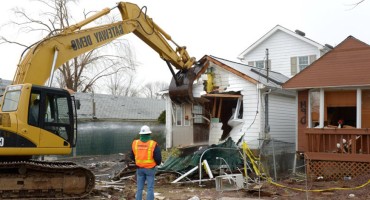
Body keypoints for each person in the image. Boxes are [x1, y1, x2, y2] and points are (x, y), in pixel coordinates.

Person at [130, 125, 162, 200]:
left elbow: (132, 156)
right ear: (149, 134)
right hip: (150, 169)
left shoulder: (135, 143)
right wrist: (157, 164)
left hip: (139, 169)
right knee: (150, 188)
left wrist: (137, 162)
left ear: (140, 134)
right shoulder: (153, 144)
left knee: (139, 188)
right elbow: (158, 158)